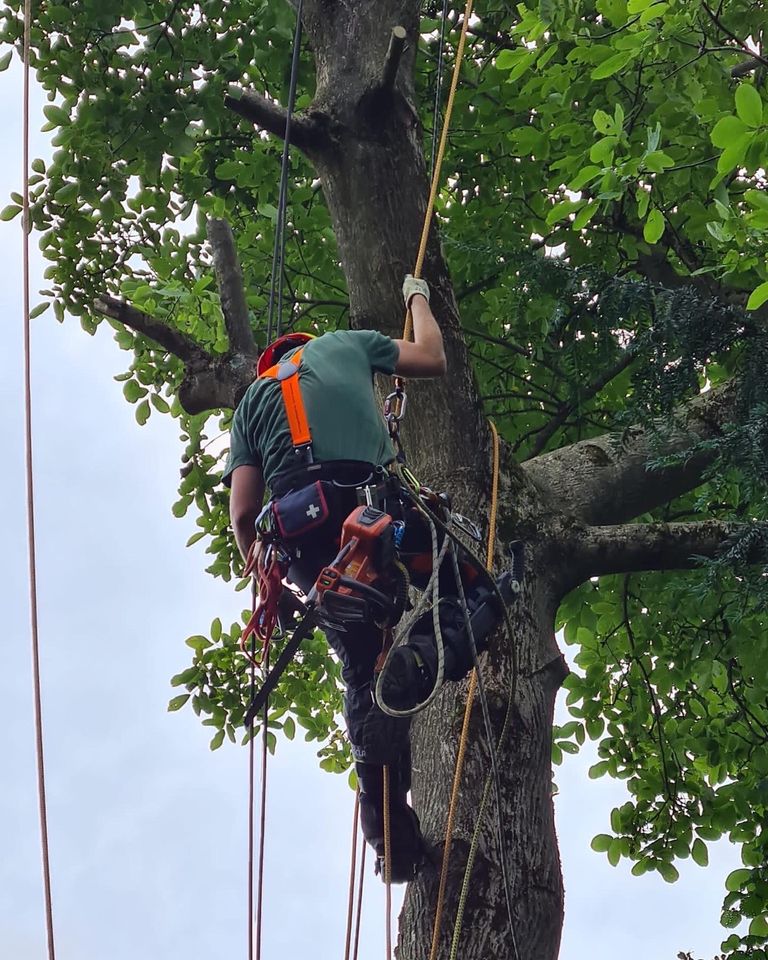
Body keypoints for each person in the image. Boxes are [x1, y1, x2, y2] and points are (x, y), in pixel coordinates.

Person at [224, 276, 498, 882]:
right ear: (311, 344)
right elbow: (431, 357)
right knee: (479, 594)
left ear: (271, 362)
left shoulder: (249, 405)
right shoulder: (349, 342)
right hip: (370, 510)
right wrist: (416, 297)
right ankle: (420, 661)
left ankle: (390, 838)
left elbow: (243, 516)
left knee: (360, 668)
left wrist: (278, 581)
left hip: (300, 537)